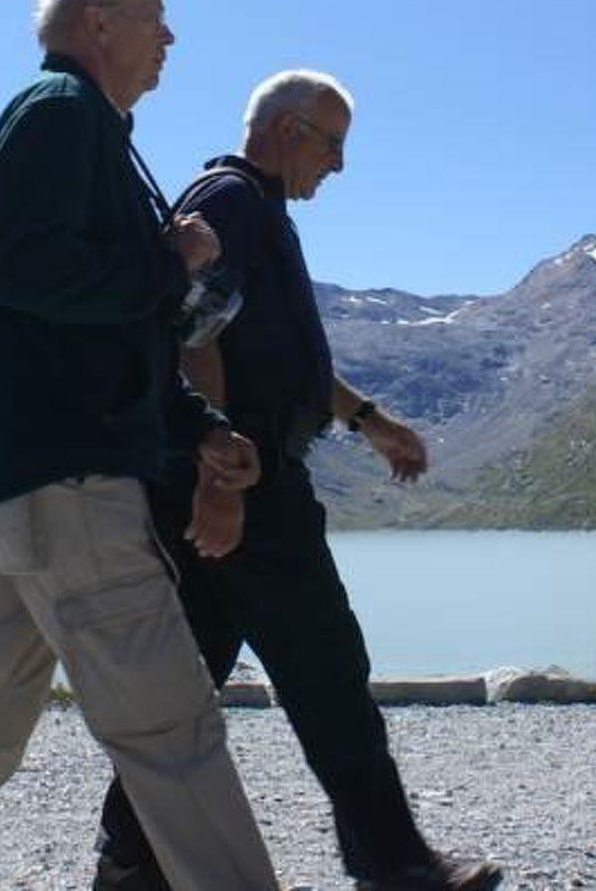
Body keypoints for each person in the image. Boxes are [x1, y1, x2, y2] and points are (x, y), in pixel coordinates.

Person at [0, 0, 283, 891]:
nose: (170, 41)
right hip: (72, 488)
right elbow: (29, 269)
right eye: (155, 20)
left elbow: (91, 329)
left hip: (26, 486)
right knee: (173, 734)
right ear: (97, 22)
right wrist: (174, 262)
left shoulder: (87, 128)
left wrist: (196, 422)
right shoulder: (59, 113)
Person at [94, 71, 503, 891]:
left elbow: (277, 356)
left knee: (189, 678)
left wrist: (367, 418)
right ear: (287, 130)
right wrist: (222, 476)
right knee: (328, 669)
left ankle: (131, 860)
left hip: (229, 477)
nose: (339, 166)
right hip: (249, 485)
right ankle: (395, 863)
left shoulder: (252, 207)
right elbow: (191, 331)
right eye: (333, 144)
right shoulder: (236, 202)